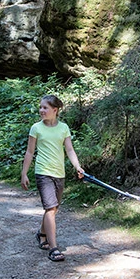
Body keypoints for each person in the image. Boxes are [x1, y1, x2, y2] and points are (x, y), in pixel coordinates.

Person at [21, 94, 84, 262]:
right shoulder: (36, 128)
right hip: (43, 172)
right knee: (50, 209)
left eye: (45, 108)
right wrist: (24, 173)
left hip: (59, 173)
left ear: (55, 110)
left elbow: (69, 150)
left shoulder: (63, 128)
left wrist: (77, 166)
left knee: (53, 209)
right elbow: (29, 152)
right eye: (40, 107)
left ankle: (42, 234)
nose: (41, 110)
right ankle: (54, 248)